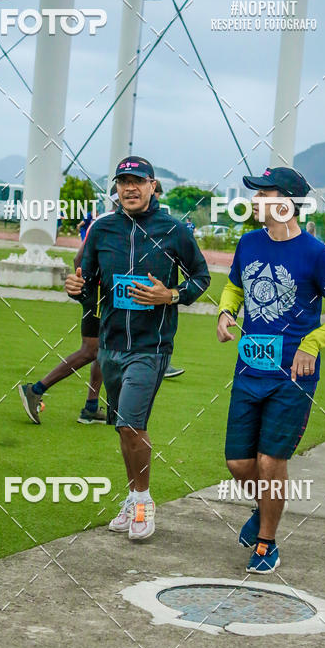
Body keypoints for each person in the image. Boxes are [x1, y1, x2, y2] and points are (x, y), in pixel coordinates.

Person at [66, 155, 210, 540]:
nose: (129, 188)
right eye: (122, 182)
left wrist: (171, 295)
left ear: (152, 186)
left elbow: (202, 276)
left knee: (131, 422)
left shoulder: (174, 230)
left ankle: (144, 502)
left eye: (138, 181)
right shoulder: (102, 229)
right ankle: (133, 499)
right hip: (111, 345)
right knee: (123, 428)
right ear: (116, 187)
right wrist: (77, 289)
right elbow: (90, 281)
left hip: (151, 346)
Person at [217, 166, 325, 573]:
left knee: (270, 461)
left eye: (263, 193)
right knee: (239, 464)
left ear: (287, 202)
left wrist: (312, 343)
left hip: (292, 377)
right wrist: (226, 310)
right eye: (255, 194)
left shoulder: (315, 253)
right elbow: (235, 285)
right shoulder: (249, 243)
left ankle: (266, 542)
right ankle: (265, 509)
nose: (255, 201)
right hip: (248, 370)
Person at [18, 236, 106, 426]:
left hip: (104, 295)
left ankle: (91, 408)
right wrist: (87, 286)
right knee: (91, 350)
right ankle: (35, 390)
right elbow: (78, 258)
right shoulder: (107, 222)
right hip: (99, 294)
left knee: (101, 351)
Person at [153, 179, 186, 379]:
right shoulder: (109, 223)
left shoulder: (170, 227)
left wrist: (173, 294)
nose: (156, 197)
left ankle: (162, 364)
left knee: (162, 326)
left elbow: (199, 274)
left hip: (160, 293)